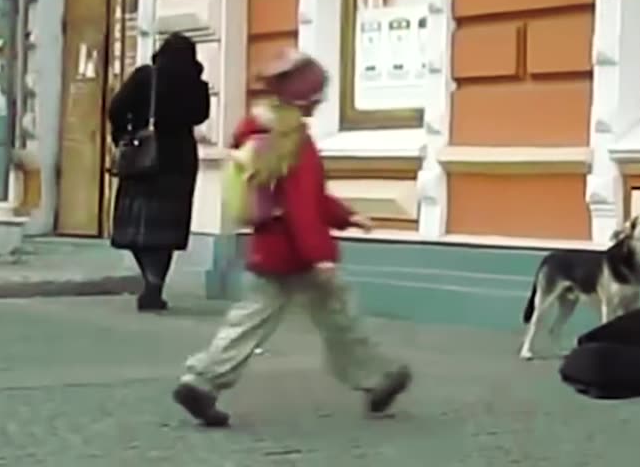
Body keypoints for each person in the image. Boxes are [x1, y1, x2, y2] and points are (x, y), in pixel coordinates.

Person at [171, 49, 412, 428]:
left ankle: (202, 381)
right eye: (317, 94)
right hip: (296, 254)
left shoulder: (262, 129)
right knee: (336, 318)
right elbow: (302, 205)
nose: (320, 101)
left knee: (264, 319)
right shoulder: (292, 139)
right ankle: (376, 379)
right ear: (305, 96)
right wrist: (321, 257)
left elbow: (304, 198)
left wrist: (347, 216)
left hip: (272, 247)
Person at [107, 32, 210, 312]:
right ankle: (155, 284)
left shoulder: (145, 77)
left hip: (144, 160)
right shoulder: (197, 86)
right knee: (166, 230)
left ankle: (150, 280)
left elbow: (116, 107)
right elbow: (200, 116)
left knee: (137, 226)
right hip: (179, 162)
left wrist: (124, 135)